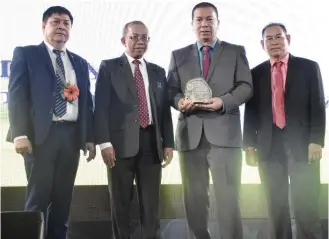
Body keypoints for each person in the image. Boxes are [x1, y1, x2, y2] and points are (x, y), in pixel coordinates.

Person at [6, 6, 95, 239]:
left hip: (71, 137)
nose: (61, 27)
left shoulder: (80, 62)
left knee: (63, 201)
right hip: (39, 138)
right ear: (43, 26)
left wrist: (88, 137)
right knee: (38, 199)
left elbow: (86, 104)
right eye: (56, 22)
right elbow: (16, 95)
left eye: (66, 23)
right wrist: (19, 133)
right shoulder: (27, 54)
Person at [167, 2, 253, 239]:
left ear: (218, 23)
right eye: (199, 20)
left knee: (228, 198)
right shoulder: (178, 55)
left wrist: (223, 101)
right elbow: (170, 90)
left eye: (209, 19)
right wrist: (179, 102)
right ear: (192, 24)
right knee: (193, 200)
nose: (204, 24)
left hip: (224, 136)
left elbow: (246, 87)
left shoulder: (236, 51)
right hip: (189, 136)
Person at [243, 23, 325, 239]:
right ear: (262, 44)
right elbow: (250, 112)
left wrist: (317, 140)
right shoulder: (255, 73)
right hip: (268, 148)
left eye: (278, 37)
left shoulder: (309, 67)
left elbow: (317, 105)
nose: (274, 42)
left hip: (303, 146)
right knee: (275, 208)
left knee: (306, 206)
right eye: (268, 39)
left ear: (288, 38)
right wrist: (249, 144)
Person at [94, 20, 174, 239]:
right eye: (134, 37)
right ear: (123, 40)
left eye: (145, 38)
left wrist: (168, 143)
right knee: (120, 206)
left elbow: (164, 111)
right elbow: (100, 107)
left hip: (151, 145)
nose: (140, 42)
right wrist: (105, 143)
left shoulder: (157, 71)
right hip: (118, 147)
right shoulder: (109, 67)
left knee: (151, 206)